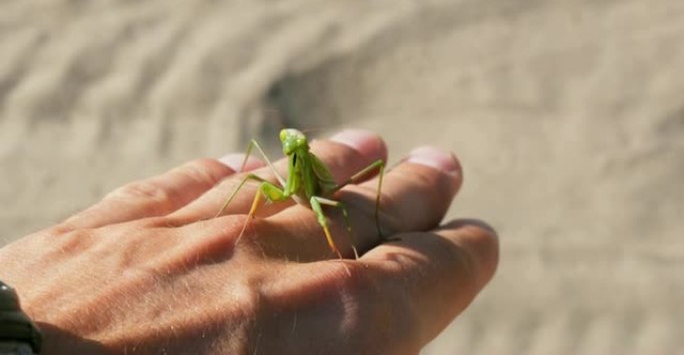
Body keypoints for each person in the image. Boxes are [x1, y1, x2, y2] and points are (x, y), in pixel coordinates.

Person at [0, 129, 498, 355]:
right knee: (254, 185)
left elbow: (319, 199)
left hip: (329, 198)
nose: (291, 149)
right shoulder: (282, 156)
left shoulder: (313, 169)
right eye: (289, 146)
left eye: (295, 146)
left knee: (342, 212)